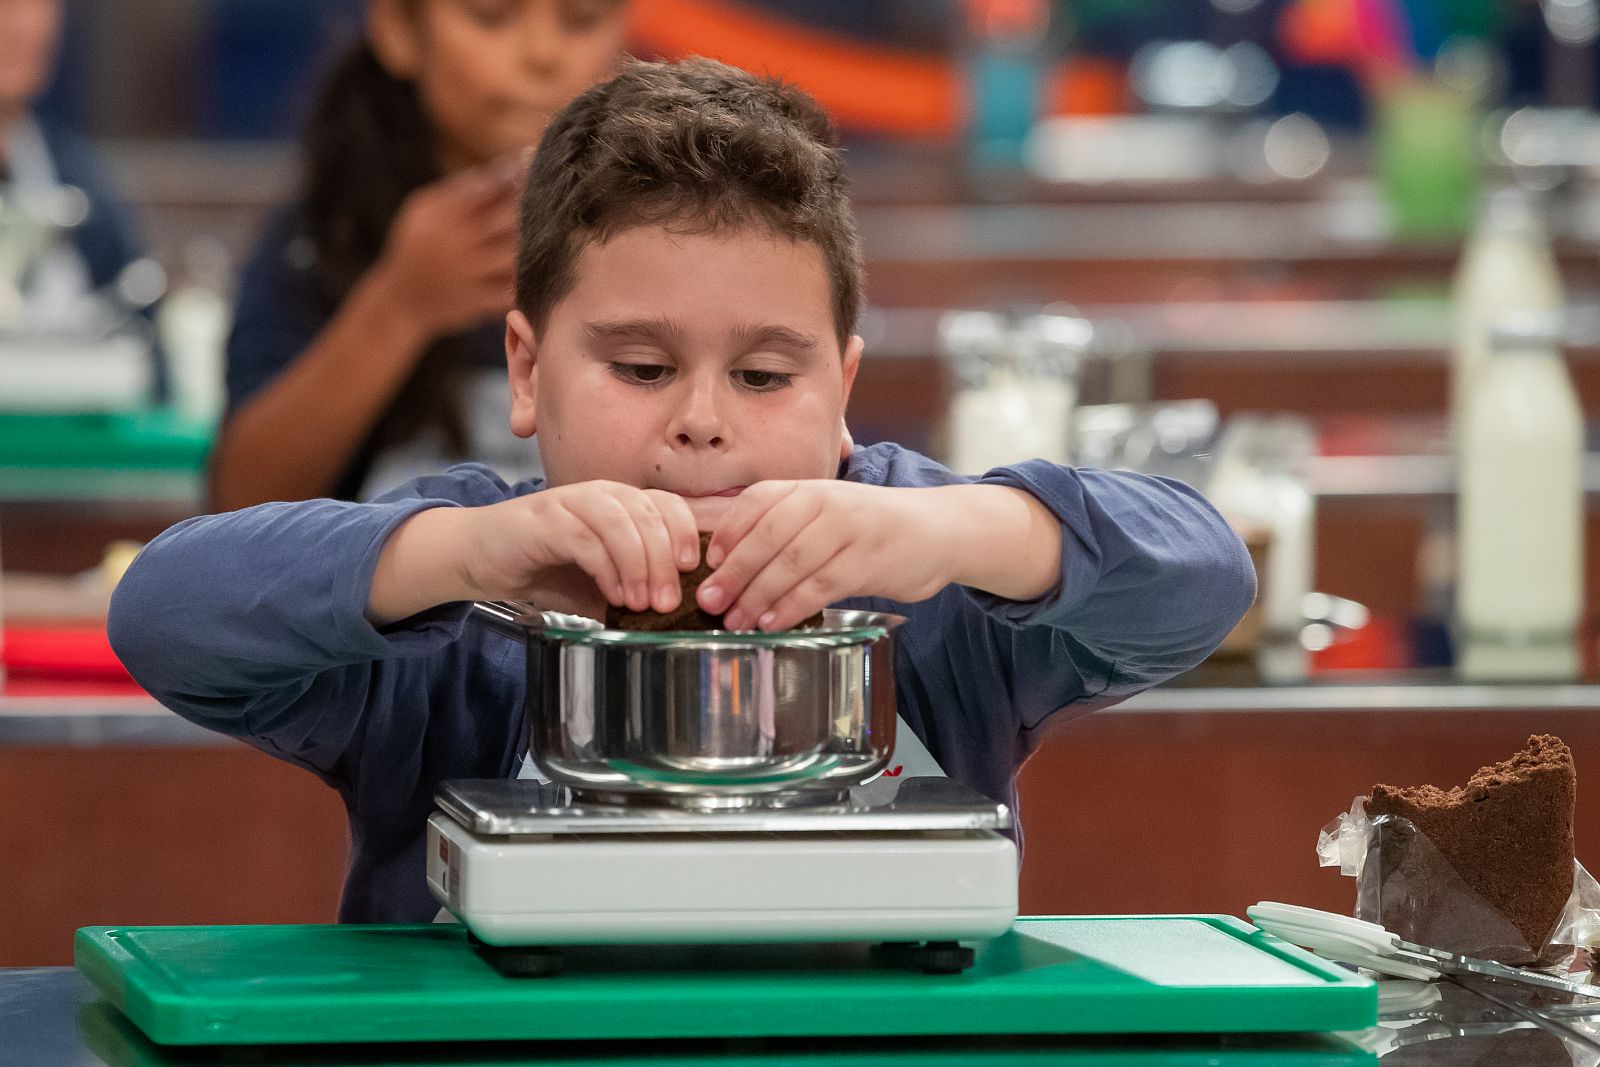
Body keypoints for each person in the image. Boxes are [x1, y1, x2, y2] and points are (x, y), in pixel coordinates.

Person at [109, 59, 1256, 925]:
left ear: (841, 384)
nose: (702, 417)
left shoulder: (935, 584)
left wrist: (966, 526)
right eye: (641, 368)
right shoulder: (460, 604)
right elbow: (165, 612)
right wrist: (454, 558)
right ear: (525, 369)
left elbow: (1205, 578)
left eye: (765, 374)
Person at [209, 0, 628, 510]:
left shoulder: (660, 231)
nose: (542, 54)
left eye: (581, 20)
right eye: (491, 16)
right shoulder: (329, 232)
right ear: (399, 30)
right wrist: (398, 305)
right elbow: (239, 503)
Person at [1, 0, 154, 336]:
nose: (24, 27)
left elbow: (141, 319)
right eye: (8, 7)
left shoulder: (78, 175)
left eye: (39, 6)